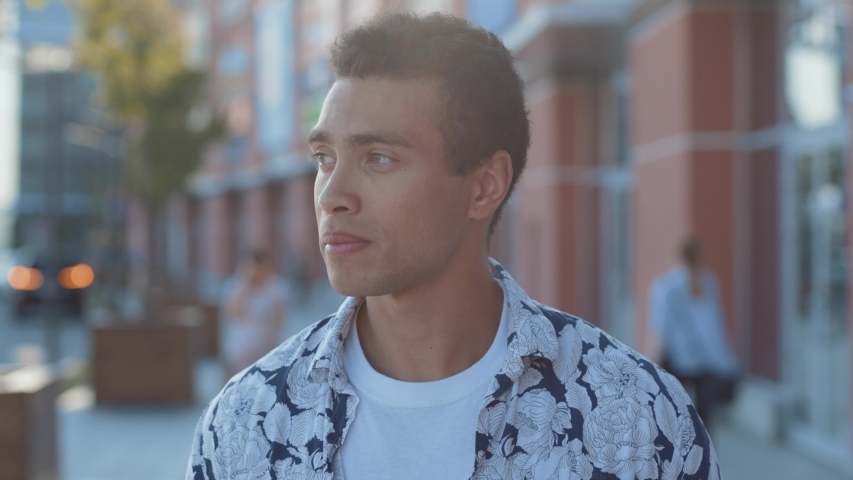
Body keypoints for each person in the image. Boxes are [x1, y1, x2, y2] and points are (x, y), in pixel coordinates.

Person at [188, 12, 719, 480]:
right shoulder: (246, 425)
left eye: (378, 157)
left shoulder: (639, 423)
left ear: (485, 185)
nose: (332, 195)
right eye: (324, 157)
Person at [649, 238, 740, 433]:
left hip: (679, 359)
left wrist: (651, 362)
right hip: (708, 359)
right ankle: (705, 458)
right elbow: (715, 324)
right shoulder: (709, 283)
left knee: (675, 415)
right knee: (705, 420)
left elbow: (660, 328)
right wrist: (727, 358)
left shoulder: (665, 286)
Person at [221, 248, 288, 377]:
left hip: (267, 350)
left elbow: (279, 322)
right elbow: (233, 313)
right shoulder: (234, 287)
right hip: (240, 351)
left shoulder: (277, 288)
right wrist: (246, 286)